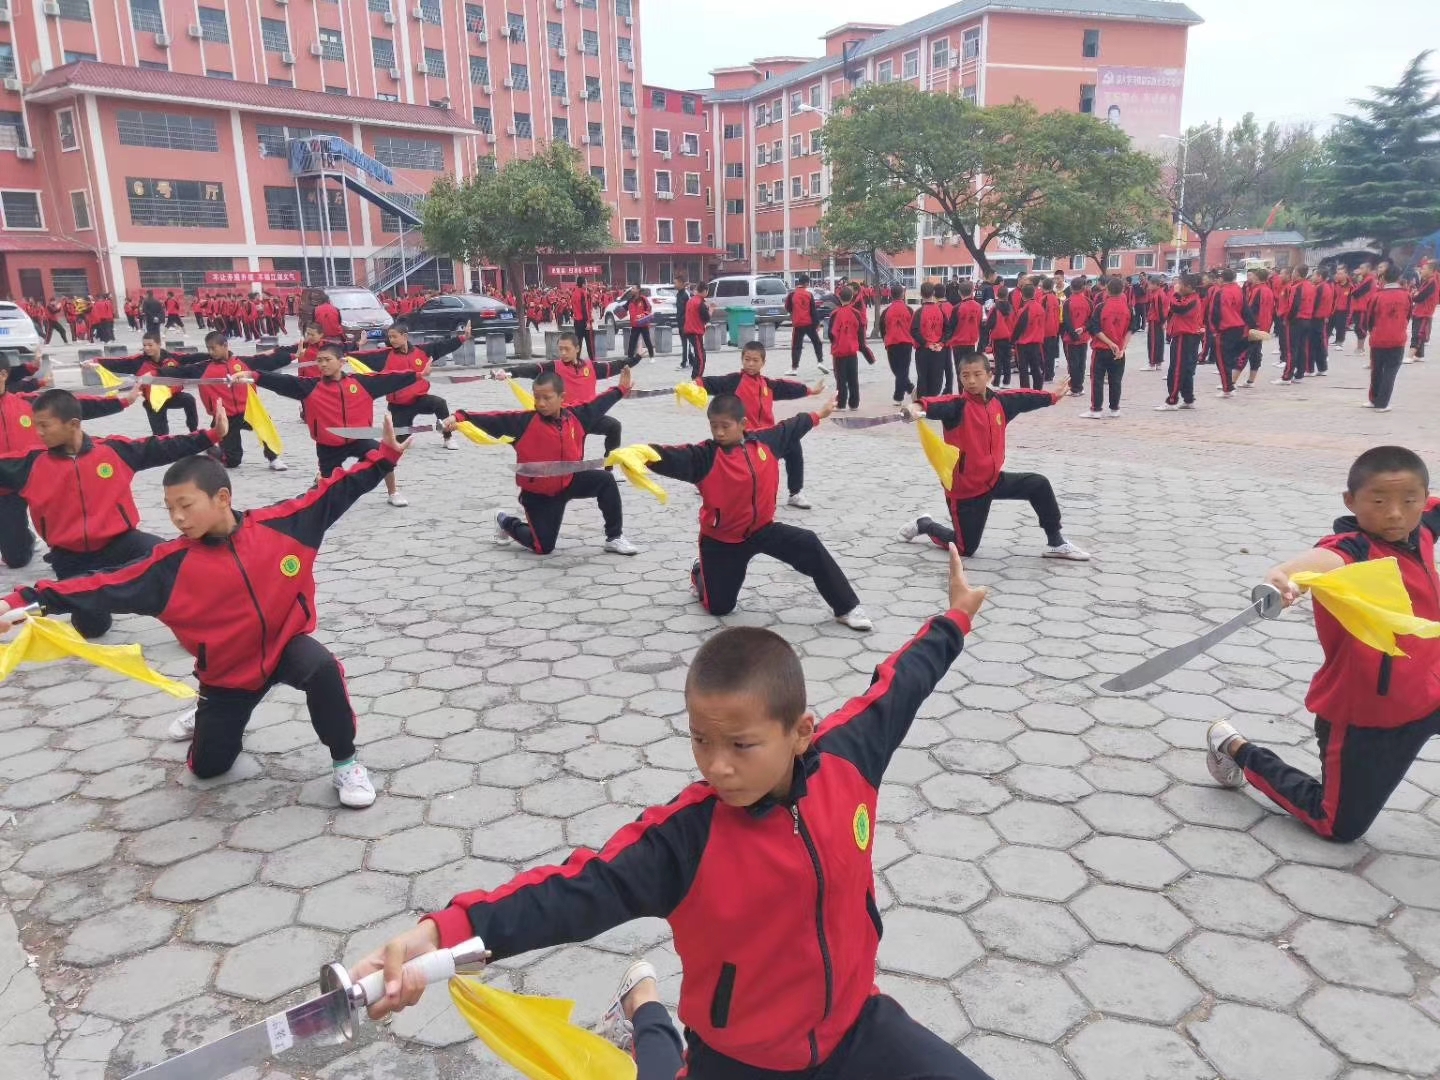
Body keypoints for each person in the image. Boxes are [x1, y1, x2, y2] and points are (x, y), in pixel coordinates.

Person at [354, 547, 994, 1079]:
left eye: (741, 745)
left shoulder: (850, 759)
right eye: (700, 740)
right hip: (740, 1058)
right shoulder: (683, 841)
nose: (716, 766)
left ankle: (641, 999)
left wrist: (955, 619)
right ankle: (646, 1011)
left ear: (801, 732)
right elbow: (572, 892)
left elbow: (900, 683)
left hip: (857, 1028)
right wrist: (438, 935)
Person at [0, 425, 416, 809]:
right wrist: (24, 599)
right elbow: (99, 584)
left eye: (185, 505)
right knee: (207, 768)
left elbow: (335, 493)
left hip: (284, 646)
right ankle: (203, 714)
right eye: (169, 509)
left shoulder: (284, 525)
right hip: (227, 674)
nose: (177, 517)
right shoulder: (167, 568)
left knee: (322, 668)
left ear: (222, 498)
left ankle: (346, 764)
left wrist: (384, 457)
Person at [1206, 446, 1440, 842]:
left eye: (1409, 501)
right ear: (1351, 501)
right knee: (1337, 825)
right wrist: (1282, 577)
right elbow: (1318, 562)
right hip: (1371, 710)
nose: (1396, 513)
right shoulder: (1352, 551)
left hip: (1432, 689)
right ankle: (1233, 746)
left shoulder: (1422, 527)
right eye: (1379, 501)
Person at [0, 389, 222, 639]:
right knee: (93, 628)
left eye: (44, 426)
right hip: (71, 556)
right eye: (35, 425)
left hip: (121, 543)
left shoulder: (113, 450)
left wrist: (211, 435)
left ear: (73, 424)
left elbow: (162, 447)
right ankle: (89, 609)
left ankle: (202, 621)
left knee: (175, 562)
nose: (37, 432)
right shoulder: (30, 464)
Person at [641, 393, 871, 629]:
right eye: (714, 426)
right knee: (720, 608)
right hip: (723, 541)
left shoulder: (767, 442)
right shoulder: (705, 456)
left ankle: (847, 608)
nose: (719, 432)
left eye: (725, 426)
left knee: (809, 543)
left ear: (742, 424)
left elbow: (792, 426)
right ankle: (699, 572)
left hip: (763, 530)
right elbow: (670, 456)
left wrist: (818, 414)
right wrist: (640, 454)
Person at [898, 353, 1089, 561]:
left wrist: (1052, 397)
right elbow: (934, 404)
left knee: (1038, 484)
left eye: (977, 374)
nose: (971, 381)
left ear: (989, 375)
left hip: (993, 480)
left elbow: (1025, 398)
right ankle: (925, 524)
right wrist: (915, 408)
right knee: (965, 548)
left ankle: (1057, 543)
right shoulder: (957, 406)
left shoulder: (1001, 402)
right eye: (965, 375)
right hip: (966, 490)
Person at [448, 369, 640, 557]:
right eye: (537, 397)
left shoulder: (577, 417)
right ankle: (504, 521)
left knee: (605, 480)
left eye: (547, 398)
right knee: (543, 547)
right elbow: (489, 419)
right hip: (540, 494)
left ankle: (614, 537)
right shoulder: (522, 422)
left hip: (570, 480)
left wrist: (621, 389)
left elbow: (598, 404)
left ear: (561, 397)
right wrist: (458, 418)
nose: (541, 403)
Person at [249, 343, 417, 505]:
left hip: (358, 438)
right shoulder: (310, 387)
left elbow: (389, 379)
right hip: (328, 446)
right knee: (328, 496)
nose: (322, 364)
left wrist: (416, 375)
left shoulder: (361, 383)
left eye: (327, 360)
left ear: (342, 362)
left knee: (385, 457)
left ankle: (393, 492)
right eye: (319, 360)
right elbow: (282, 381)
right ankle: (321, 478)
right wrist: (254, 376)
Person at [698, 342, 824, 510]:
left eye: (755, 360)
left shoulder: (768, 385)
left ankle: (795, 493)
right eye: (747, 359)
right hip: (745, 437)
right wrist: (694, 385)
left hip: (768, 435)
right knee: (721, 455)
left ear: (763, 363)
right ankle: (708, 482)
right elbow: (711, 383)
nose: (750, 364)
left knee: (793, 444)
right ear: (742, 360)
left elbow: (788, 388)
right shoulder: (733, 381)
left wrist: (810, 391)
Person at [496, 332, 640, 456]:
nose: (563, 353)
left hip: (590, 415)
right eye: (560, 349)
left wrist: (637, 358)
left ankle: (610, 466)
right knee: (575, 455)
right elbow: (531, 369)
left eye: (567, 349)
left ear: (577, 349)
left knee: (614, 426)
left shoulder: (591, 367)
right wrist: (509, 372)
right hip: (568, 418)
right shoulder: (554, 367)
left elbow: (617, 365)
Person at [171, 332, 295, 470]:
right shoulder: (203, 368)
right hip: (225, 416)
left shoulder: (242, 362)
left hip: (247, 411)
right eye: (208, 349)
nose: (211, 352)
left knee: (265, 423)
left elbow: (269, 360)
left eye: (213, 348)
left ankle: (273, 458)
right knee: (233, 462)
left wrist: (292, 356)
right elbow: (179, 372)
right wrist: (153, 374)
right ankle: (211, 449)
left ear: (225, 346)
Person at [352, 323, 464, 453]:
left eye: (394, 336)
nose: (391, 340)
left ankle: (448, 438)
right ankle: (404, 434)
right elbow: (362, 359)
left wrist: (463, 338)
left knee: (440, 403)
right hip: (399, 407)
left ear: (405, 336)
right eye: (389, 337)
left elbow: (442, 346)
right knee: (400, 443)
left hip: (419, 399)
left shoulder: (421, 351)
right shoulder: (385, 356)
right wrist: (360, 346)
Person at [92, 332, 202, 436]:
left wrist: (213, 355)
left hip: (172, 396)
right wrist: (95, 361)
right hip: (153, 401)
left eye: (150, 345)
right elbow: (119, 362)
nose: (146, 348)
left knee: (189, 399)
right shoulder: (138, 361)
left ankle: (194, 432)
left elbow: (192, 357)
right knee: (160, 435)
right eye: (144, 345)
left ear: (159, 344)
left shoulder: (172, 357)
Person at [1364, 264, 1414, 412]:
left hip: (1378, 337)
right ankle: (1382, 403)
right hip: (1397, 338)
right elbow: (1408, 315)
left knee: (1376, 369)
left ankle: (1374, 399)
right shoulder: (1406, 295)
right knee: (1390, 371)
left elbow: (1369, 319)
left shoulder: (1377, 296)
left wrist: (1372, 331)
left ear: (1383, 277)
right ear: (1399, 278)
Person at [1084, 277, 1131, 418]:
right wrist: (1122, 348)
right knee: (1115, 380)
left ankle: (1096, 409)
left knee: (1097, 379)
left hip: (1101, 348)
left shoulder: (1101, 307)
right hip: (1119, 352)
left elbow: (1095, 329)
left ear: (1107, 290)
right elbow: (1131, 329)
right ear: (1123, 290)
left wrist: (1110, 343)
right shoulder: (1128, 307)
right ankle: (1115, 408)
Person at [1156, 274, 1204, 411]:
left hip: (1185, 336)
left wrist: (1174, 294)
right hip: (1184, 336)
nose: (1178, 287)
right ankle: (1188, 399)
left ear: (1189, 287)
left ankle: (1172, 400)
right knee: (1186, 369)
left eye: (1180, 284)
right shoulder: (1188, 298)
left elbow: (1178, 308)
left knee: (1177, 369)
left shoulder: (1192, 300)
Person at [827, 285, 868, 411]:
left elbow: (830, 333)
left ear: (839, 297)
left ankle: (841, 403)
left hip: (839, 351)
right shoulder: (856, 313)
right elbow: (861, 331)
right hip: (852, 350)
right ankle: (854, 403)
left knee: (841, 379)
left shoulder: (835, 313)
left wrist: (835, 343)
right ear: (852, 297)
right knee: (853, 378)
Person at [1210, 268, 1248, 398]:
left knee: (1222, 360)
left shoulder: (1221, 292)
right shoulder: (1238, 289)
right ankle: (1229, 385)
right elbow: (1245, 309)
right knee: (1230, 358)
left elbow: (1215, 312)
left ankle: (1227, 388)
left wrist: (1214, 330)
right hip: (1238, 327)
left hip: (1225, 328)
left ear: (1221, 279)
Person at [911, 282, 952, 399]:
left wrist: (927, 344)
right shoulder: (940, 311)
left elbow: (914, 331)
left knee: (922, 377)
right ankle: (933, 401)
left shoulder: (918, 312)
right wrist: (941, 343)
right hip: (939, 349)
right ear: (933, 293)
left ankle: (923, 404)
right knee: (936, 377)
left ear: (920, 294)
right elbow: (948, 329)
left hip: (924, 350)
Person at [1277, 263, 1316, 385]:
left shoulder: (1297, 287)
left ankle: (1286, 376)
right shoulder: (1311, 286)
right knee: (1302, 347)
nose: (1292, 274)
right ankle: (1299, 374)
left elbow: (1294, 306)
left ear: (1298, 274)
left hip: (1296, 321)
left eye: (1294, 271)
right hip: (1307, 320)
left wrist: (1287, 319)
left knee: (1291, 350)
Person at [1240, 268, 1276, 388]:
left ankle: (1231, 383)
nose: (1251, 278)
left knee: (1245, 352)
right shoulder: (1268, 290)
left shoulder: (1258, 290)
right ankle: (1250, 380)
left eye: (1253, 276)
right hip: (1263, 325)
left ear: (1257, 278)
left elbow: (1252, 310)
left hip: (1255, 325)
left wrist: (1250, 324)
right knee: (1255, 352)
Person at [1010, 282, 1048, 390]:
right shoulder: (1040, 308)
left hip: (1023, 344)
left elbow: (1018, 328)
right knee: (1036, 368)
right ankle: (1038, 390)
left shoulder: (1023, 310)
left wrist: (1012, 341)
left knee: (1024, 370)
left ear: (1022, 294)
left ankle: (1025, 391)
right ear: (1034, 293)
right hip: (1037, 342)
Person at [881, 285, 915, 404]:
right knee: (901, 371)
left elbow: (882, 328)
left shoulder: (886, 311)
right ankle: (911, 388)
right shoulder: (909, 310)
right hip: (906, 344)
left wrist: (885, 340)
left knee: (898, 370)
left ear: (890, 294)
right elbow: (914, 327)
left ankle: (898, 396)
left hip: (892, 344)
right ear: (902, 294)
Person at [786, 274, 824, 373]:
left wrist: (794, 313)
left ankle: (794, 368)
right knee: (817, 342)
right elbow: (813, 311)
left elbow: (788, 307)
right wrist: (817, 324)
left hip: (798, 324)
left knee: (796, 346)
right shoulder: (809, 295)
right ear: (806, 283)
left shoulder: (791, 294)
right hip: (809, 323)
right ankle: (820, 362)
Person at [1061, 276, 1092, 396]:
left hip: (1071, 338)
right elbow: (1091, 320)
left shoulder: (1067, 302)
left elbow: (1066, 321)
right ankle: (1080, 386)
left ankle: (1075, 388)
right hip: (1083, 337)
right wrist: (1083, 329)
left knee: (1072, 363)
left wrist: (1074, 335)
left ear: (1071, 288)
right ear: (1083, 288)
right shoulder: (1089, 302)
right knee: (1081, 362)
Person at [682, 283, 712, 380]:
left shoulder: (691, 301)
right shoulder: (700, 303)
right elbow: (706, 318)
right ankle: (697, 378)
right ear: (704, 291)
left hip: (689, 330)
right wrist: (711, 309)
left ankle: (695, 376)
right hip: (695, 331)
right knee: (701, 356)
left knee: (699, 353)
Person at [1410, 261, 1436, 361]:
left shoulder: (1432, 282)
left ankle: (1410, 355)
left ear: (1431, 271)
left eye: (1424, 269)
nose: (1421, 270)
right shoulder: (1425, 281)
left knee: (1418, 333)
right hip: (1419, 310)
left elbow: (1420, 297)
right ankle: (1419, 355)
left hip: (1424, 312)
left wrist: (1413, 296)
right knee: (1416, 331)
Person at [623, 286, 656, 360]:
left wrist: (642, 316)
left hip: (643, 324)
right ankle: (629, 358)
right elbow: (624, 308)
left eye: (633, 288)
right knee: (632, 342)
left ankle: (652, 356)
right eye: (632, 288)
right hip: (635, 325)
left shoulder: (643, 299)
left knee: (647, 341)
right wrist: (619, 310)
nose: (632, 290)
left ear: (638, 290)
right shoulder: (630, 300)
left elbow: (649, 308)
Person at [571, 275, 598, 362]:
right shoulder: (583, 293)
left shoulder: (574, 293)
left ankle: (575, 361)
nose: (586, 285)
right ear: (583, 284)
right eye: (585, 283)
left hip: (577, 321)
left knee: (578, 342)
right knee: (590, 342)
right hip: (583, 321)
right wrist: (587, 322)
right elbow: (584, 308)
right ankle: (593, 361)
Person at [673, 277, 692, 373]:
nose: (674, 285)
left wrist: (686, 323)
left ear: (681, 283)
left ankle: (685, 363)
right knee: (685, 344)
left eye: (675, 283)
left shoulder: (686, 295)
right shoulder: (678, 295)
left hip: (685, 324)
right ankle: (692, 361)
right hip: (680, 323)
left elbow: (690, 310)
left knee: (686, 343)